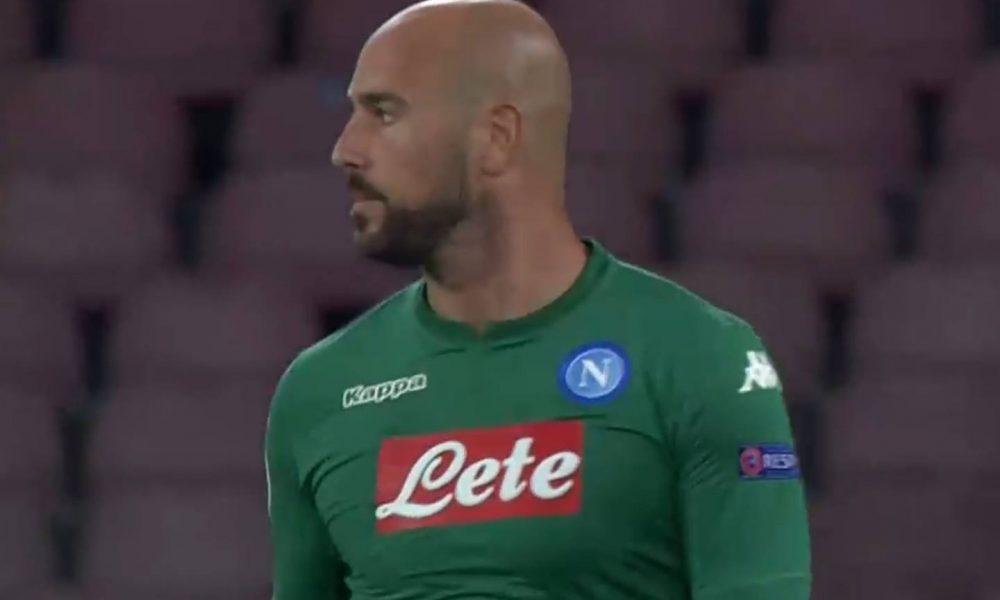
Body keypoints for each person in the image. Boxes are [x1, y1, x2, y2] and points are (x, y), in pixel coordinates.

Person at [264, 0, 812, 598]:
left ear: (496, 138)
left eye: (384, 113)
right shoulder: (320, 392)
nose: (346, 148)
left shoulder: (698, 357)